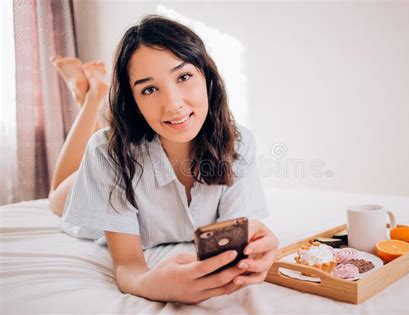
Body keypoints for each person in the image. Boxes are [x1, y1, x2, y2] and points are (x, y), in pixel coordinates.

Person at [48, 15, 278, 304]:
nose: (174, 104)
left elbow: (235, 238)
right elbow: (128, 267)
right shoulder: (108, 155)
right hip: (110, 158)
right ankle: (92, 97)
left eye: (183, 77)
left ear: (206, 77)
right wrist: (150, 284)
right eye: (149, 89)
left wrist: (257, 251)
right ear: (135, 102)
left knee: (102, 143)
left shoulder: (239, 143)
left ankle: (91, 96)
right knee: (56, 197)